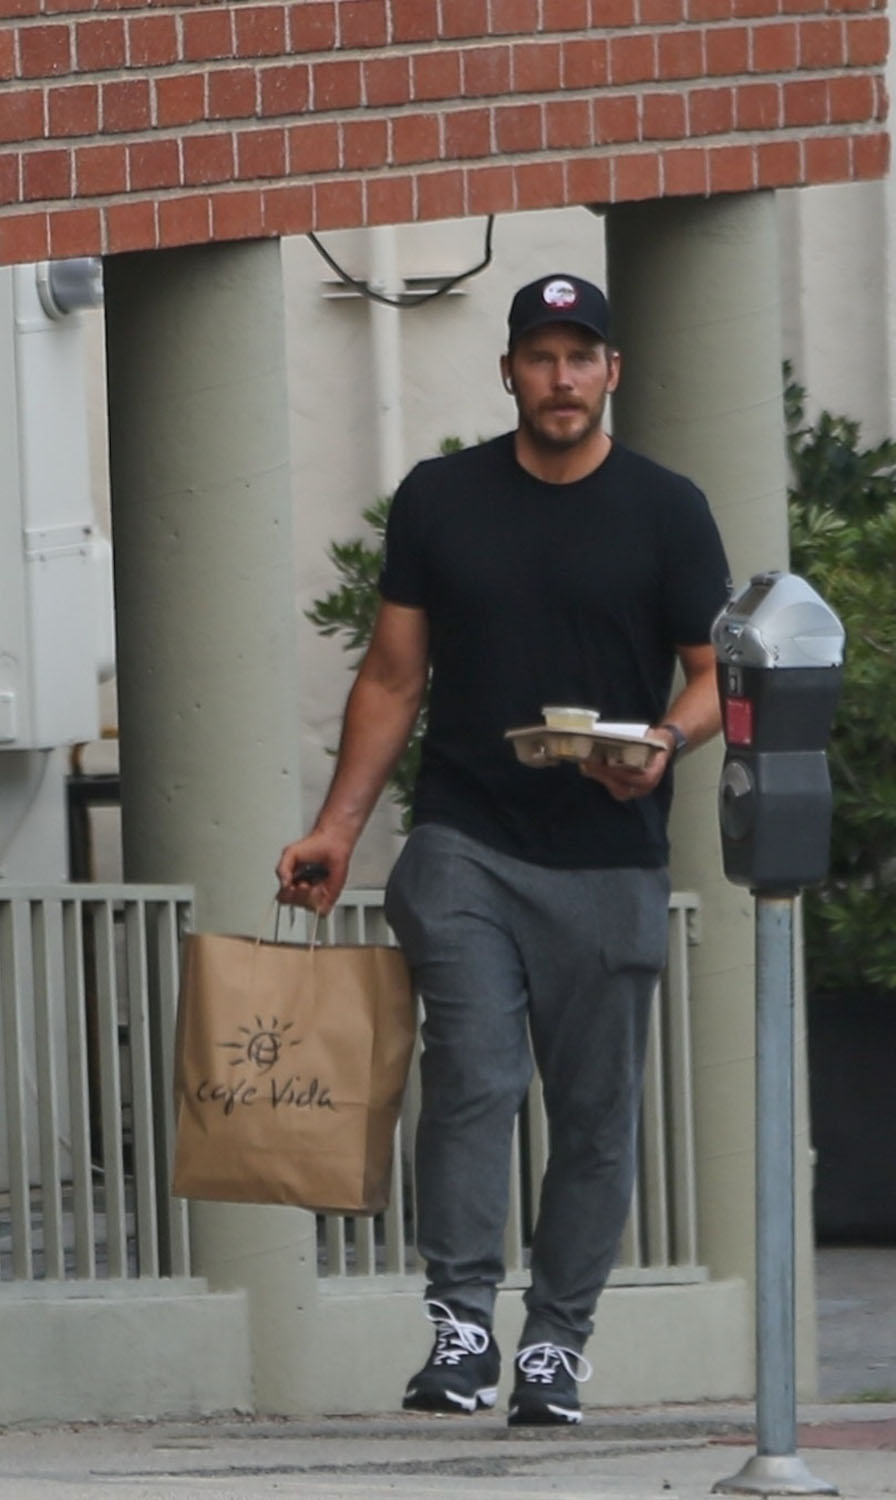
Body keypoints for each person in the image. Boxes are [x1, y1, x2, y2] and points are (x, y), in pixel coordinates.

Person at [276, 272, 731, 1426]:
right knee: (473, 1076)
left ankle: (555, 1345)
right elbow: (391, 678)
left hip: (609, 855)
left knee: (592, 1116)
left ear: (611, 371)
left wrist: (663, 744)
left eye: (580, 357)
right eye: (540, 356)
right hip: (465, 839)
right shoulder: (441, 499)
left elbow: (713, 671)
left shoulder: (666, 509)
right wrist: (337, 828)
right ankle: (463, 1324)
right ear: (509, 372)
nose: (560, 378)